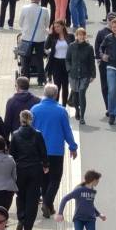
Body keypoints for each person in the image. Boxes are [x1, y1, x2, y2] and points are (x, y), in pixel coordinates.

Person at [32, 83, 78, 217]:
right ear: (56, 95)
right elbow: (66, 130)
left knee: (44, 179)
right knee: (55, 179)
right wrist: (72, 146)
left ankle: (49, 206)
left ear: (44, 94)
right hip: (55, 150)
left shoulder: (34, 109)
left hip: (39, 151)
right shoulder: (61, 110)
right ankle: (47, 202)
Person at [9, 109, 47, 230]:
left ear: (20, 120)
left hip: (20, 169)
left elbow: (12, 154)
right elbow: (43, 152)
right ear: (31, 120)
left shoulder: (15, 134)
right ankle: (28, 225)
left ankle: (21, 218)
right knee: (33, 198)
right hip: (35, 169)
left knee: (21, 196)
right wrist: (46, 165)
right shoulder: (37, 134)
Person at [66, 27, 95, 125]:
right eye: (79, 35)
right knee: (75, 94)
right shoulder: (71, 46)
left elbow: (92, 62)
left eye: (83, 35)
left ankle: (82, 116)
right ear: (76, 36)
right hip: (73, 74)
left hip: (85, 74)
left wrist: (93, 74)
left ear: (85, 36)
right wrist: (69, 69)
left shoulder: (89, 47)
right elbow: (68, 59)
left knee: (82, 93)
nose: (81, 36)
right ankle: (77, 111)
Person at [18, 0, 48, 85]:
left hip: (27, 38)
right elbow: (47, 24)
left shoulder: (24, 8)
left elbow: (20, 23)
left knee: (26, 60)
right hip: (40, 38)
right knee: (39, 60)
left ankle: (26, 79)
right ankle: (41, 80)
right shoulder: (44, 10)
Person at [45, 19, 74, 106]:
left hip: (66, 63)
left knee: (65, 86)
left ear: (62, 26)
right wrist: (49, 34)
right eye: (55, 27)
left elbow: (74, 48)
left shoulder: (70, 36)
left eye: (58, 26)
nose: (56, 29)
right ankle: (56, 105)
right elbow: (46, 46)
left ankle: (64, 106)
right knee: (57, 86)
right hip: (56, 63)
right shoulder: (52, 37)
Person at [94, 11, 116, 107]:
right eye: (110, 20)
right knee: (105, 86)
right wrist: (99, 59)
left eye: (113, 19)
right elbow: (97, 46)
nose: (111, 22)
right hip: (104, 63)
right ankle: (108, 107)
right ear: (107, 20)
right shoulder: (101, 32)